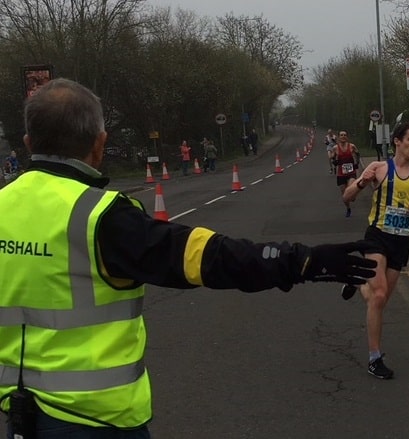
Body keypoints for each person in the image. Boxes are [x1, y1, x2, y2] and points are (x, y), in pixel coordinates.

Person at [0, 78, 378, 437]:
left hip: (17, 416)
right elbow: (210, 257)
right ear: (100, 144)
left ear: (29, 141)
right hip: (95, 421)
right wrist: (304, 260)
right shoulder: (101, 217)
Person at [341, 122, 409, 379]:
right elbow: (347, 197)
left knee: (378, 300)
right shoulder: (379, 168)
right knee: (380, 294)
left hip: (401, 241)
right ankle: (374, 358)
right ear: (397, 141)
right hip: (377, 237)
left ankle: (355, 279)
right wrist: (362, 184)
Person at [333, 130, 360, 217]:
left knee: (350, 191)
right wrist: (335, 161)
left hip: (351, 172)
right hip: (341, 174)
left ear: (347, 137)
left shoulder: (352, 146)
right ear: (339, 137)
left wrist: (357, 163)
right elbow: (333, 157)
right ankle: (348, 208)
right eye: (341, 135)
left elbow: (357, 153)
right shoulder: (335, 148)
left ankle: (353, 194)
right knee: (345, 197)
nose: (343, 136)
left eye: (345, 135)